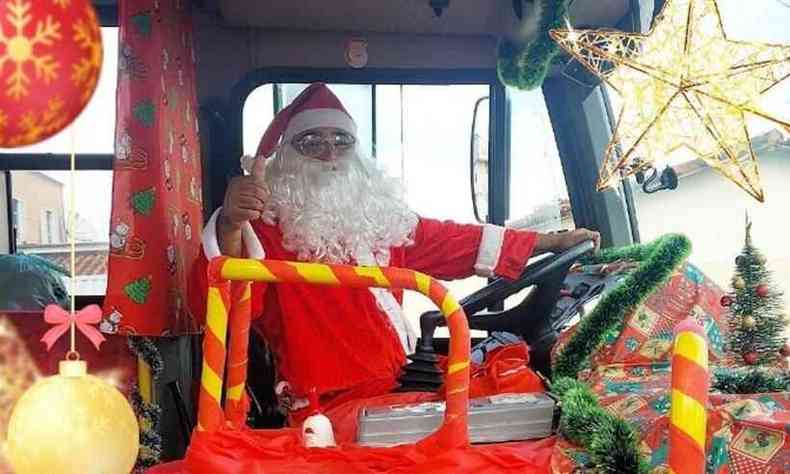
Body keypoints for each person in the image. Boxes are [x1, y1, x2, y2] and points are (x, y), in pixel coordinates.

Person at [192, 83, 599, 420]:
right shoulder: (263, 229)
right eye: (311, 142)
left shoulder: (376, 220)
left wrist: (551, 242)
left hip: (401, 381)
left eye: (341, 140)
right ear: (287, 159)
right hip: (332, 405)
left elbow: (458, 241)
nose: (330, 153)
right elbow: (217, 305)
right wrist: (229, 224)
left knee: (524, 390)